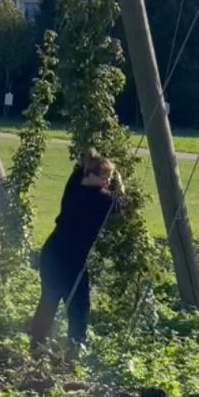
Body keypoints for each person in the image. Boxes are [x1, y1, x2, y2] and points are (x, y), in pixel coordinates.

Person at [30, 148, 125, 355]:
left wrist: (95, 161)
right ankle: (74, 348)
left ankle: (37, 344)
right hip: (72, 258)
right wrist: (119, 181)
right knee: (78, 305)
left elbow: (78, 169)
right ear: (90, 176)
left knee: (49, 298)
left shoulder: (74, 186)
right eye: (104, 177)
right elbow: (120, 204)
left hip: (53, 251)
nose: (108, 181)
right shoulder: (102, 200)